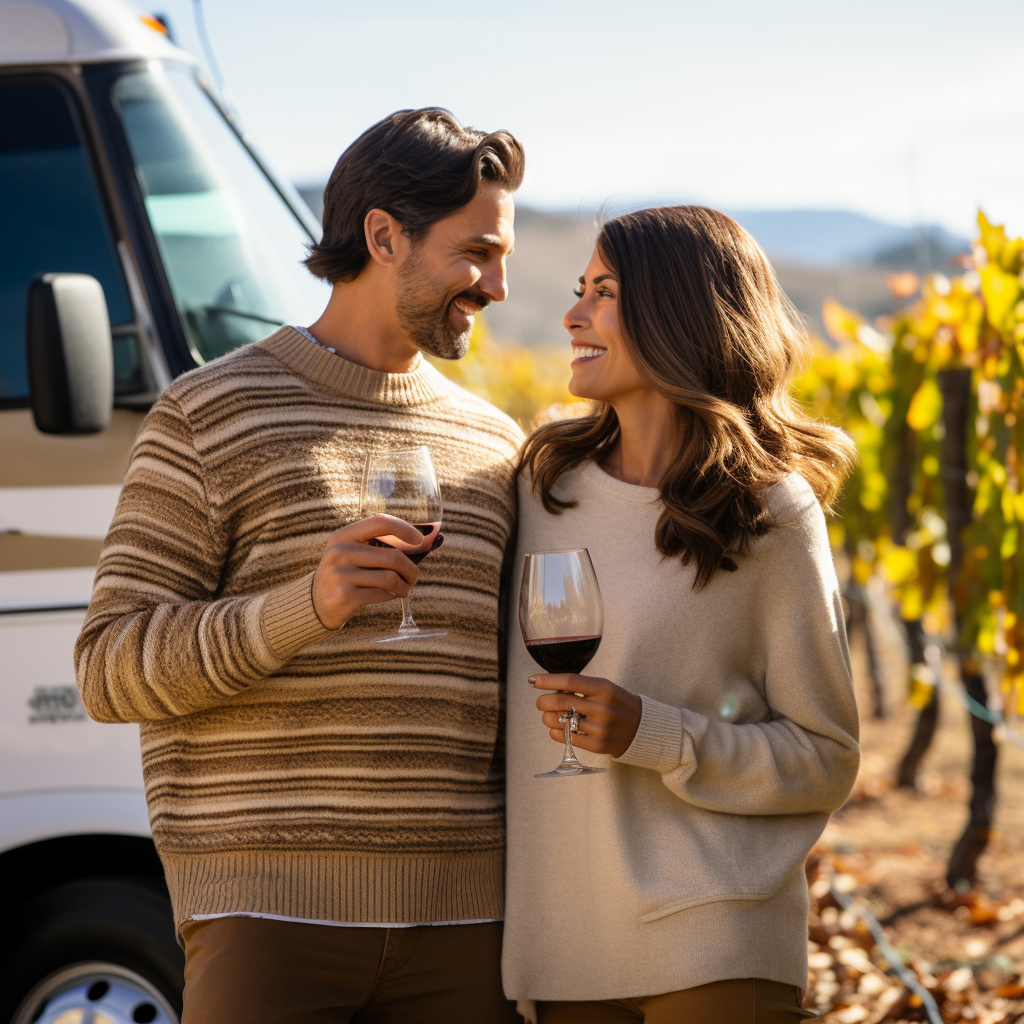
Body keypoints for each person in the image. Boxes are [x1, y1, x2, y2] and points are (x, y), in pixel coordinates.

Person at [75, 108, 525, 1024]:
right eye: (478, 252)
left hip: (469, 925)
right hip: (268, 917)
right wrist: (305, 605)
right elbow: (109, 667)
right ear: (384, 235)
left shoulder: (494, 442)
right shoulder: (211, 412)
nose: (500, 285)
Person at [503, 205, 861, 1023]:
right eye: (579, 288)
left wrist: (653, 734)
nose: (572, 313)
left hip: (713, 937)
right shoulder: (538, 490)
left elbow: (826, 757)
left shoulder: (769, 510)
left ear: (677, 311)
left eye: (604, 292)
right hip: (563, 950)